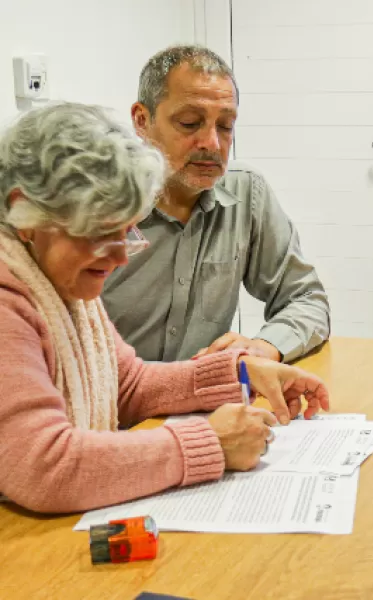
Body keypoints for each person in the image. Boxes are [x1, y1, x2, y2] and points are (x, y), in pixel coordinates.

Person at [0, 103, 330, 514]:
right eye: (102, 233)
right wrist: (211, 443)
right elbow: (44, 467)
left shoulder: (53, 277)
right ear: (25, 212)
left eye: (126, 232)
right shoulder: (8, 298)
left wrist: (240, 370)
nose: (121, 258)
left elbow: (127, 385)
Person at [102, 45, 330, 364]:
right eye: (190, 122)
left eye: (225, 126)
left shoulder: (245, 191)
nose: (212, 143)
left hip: (201, 406)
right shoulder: (97, 201)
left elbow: (306, 299)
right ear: (142, 120)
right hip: (113, 407)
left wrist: (263, 347)